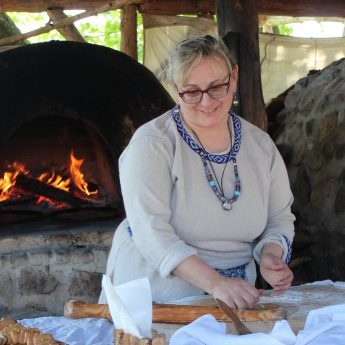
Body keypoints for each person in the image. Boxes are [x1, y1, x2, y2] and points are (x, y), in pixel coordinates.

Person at [100, 35, 295, 309]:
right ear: (175, 89)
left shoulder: (260, 145)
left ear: (234, 78)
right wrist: (215, 283)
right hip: (155, 297)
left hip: (237, 296)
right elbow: (151, 231)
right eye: (192, 92)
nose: (206, 102)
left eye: (217, 87)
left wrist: (270, 255)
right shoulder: (153, 144)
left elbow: (279, 218)